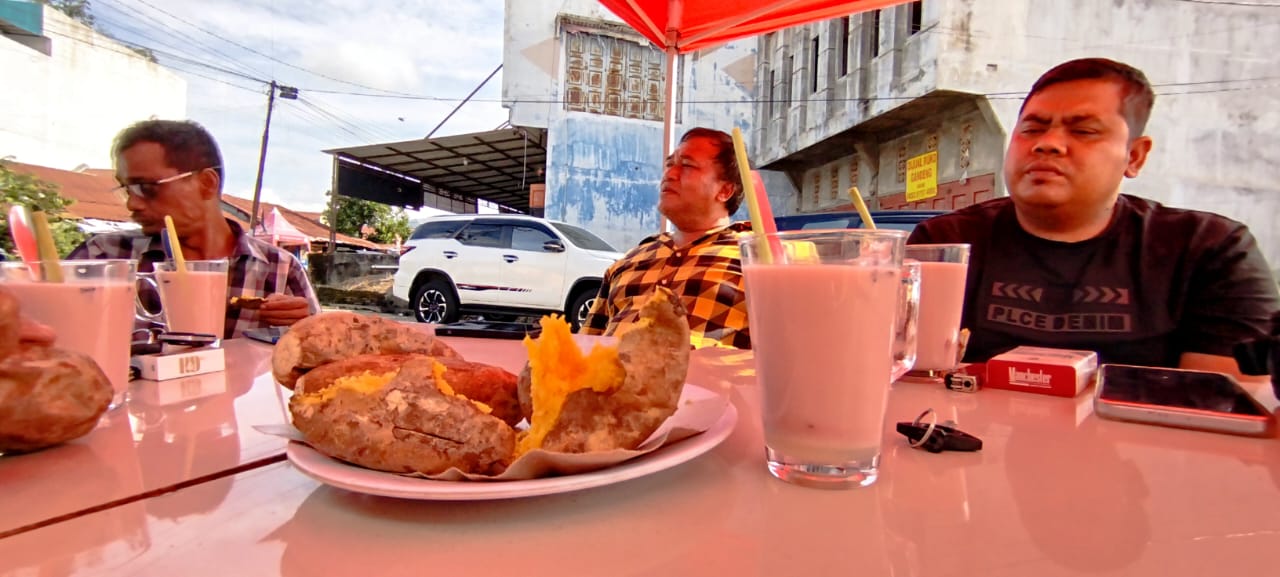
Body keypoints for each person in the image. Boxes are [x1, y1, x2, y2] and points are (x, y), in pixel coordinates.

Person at [908, 58, 1279, 380]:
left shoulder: (1208, 249)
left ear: (1134, 156)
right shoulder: (944, 244)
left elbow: (1219, 408)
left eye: (1083, 130)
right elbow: (907, 377)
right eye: (1032, 128)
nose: (1047, 143)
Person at [70, 119, 319, 339]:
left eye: (145, 187)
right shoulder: (104, 257)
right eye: (126, 189)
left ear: (207, 183)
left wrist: (305, 325)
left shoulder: (280, 269)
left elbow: (324, 358)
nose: (132, 203)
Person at [582, 127, 752, 349]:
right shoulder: (630, 259)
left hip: (704, 382)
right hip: (609, 381)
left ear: (725, 190)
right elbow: (586, 345)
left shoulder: (760, 258)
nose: (669, 174)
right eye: (670, 164)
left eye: (687, 165)